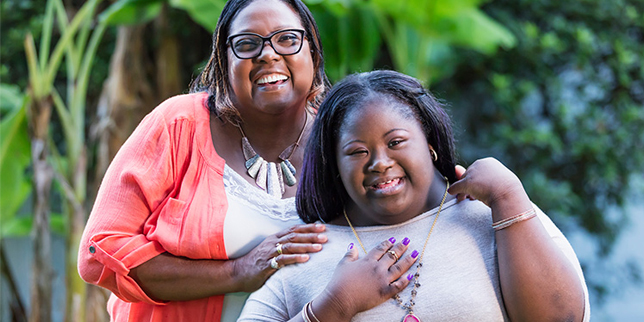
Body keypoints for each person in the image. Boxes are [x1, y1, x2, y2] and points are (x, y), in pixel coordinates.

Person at [238, 70, 590, 321]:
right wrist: (335, 306)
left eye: (396, 142)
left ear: (431, 144)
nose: (379, 162)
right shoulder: (307, 252)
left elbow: (564, 318)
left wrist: (509, 196)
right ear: (334, 166)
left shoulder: (499, 216)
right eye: (358, 151)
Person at [77, 0, 332, 320]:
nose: (268, 54)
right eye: (247, 44)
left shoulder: (340, 137)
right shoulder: (177, 126)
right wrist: (238, 272)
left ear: (313, 49)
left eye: (287, 39)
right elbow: (99, 252)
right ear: (225, 62)